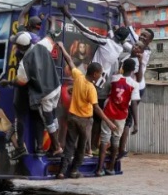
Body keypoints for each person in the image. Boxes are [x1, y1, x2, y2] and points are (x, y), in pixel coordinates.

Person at [57, 48, 116, 180]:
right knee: (81, 148)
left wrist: (61, 47)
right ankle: (74, 171)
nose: (101, 76)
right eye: (100, 73)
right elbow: (96, 108)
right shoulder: (91, 88)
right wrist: (109, 122)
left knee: (69, 145)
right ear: (95, 74)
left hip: (72, 117)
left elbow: (69, 60)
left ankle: (62, 172)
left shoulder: (78, 76)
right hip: (84, 121)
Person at [98, 58, 137, 176]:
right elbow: (134, 104)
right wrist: (136, 123)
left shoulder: (114, 78)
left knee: (104, 140)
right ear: (133, 70)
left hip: (108, 112)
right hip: (121, 115)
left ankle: (99, 169)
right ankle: (111, 168)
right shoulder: (134, 84)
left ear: (122, 67)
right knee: (116, 140)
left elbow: (109, 90)